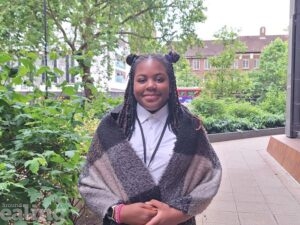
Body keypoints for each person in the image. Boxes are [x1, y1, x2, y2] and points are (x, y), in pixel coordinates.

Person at [78, 51, 222, 225]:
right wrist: (119, 212)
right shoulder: (111, 126)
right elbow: (89, 181)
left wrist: (176, 214)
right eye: (142, 79)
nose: (151, 85)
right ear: (132, 84)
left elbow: (211, 175)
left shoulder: (190, 127)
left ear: (171, 83)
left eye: (159, 79)